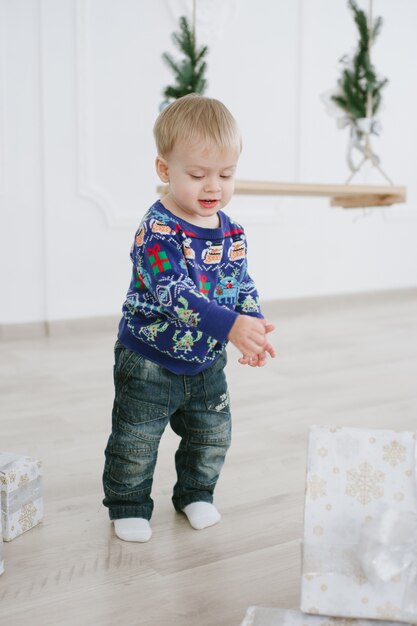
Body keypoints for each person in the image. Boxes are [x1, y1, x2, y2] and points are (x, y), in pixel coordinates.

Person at [102, 94, 276, 542]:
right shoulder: (157, 231)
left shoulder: (231, 230)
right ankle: (128, 504)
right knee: (137, 440)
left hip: (206, 359)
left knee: (212, 435)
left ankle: (196, 493)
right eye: (197, 175)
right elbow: (174, 295)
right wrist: (231, 326)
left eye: (226, 174)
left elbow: (241, 282)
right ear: (165, 170)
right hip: (149, 359)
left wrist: (251, 326)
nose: (212, 186)